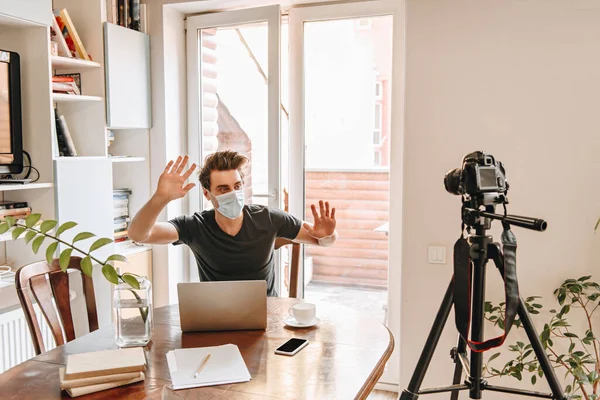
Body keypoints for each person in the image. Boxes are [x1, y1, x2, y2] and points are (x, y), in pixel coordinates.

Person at [128, 151, 338, 297]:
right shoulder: (195, 226)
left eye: (237, 186)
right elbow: (139, 235)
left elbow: (324, 242)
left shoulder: (268, 218)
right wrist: (160, 198)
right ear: (207, 194)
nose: (233, 194)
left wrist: (326, 235)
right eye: (223, 189)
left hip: (268, 317)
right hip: (216, 320)